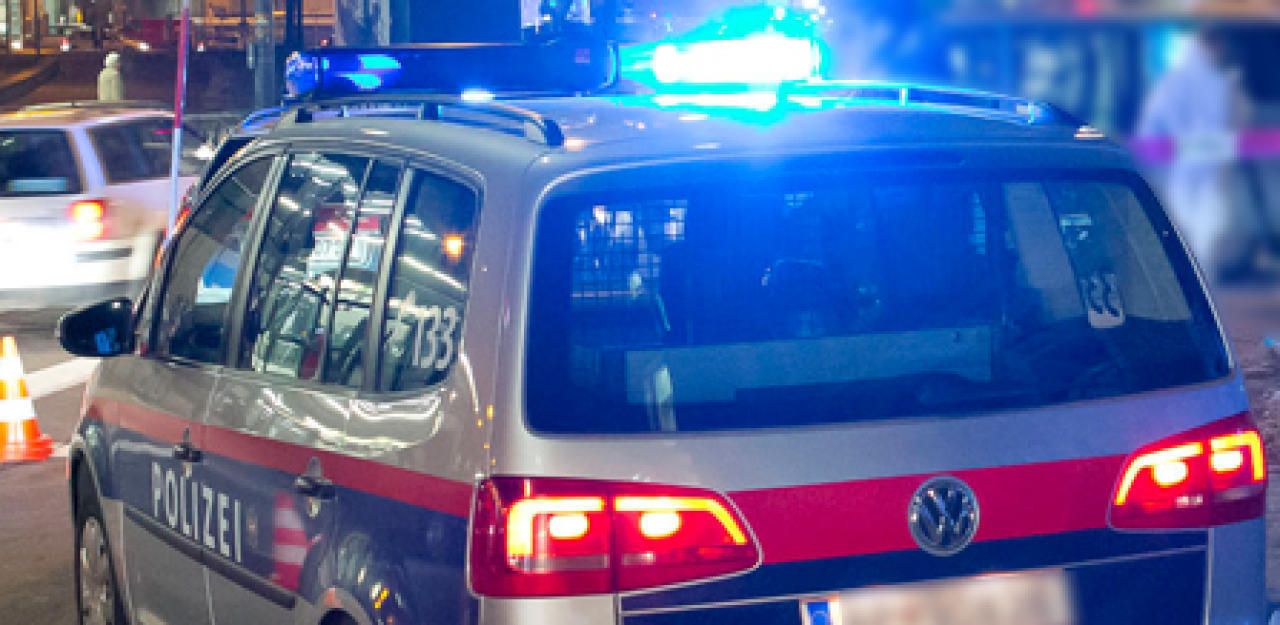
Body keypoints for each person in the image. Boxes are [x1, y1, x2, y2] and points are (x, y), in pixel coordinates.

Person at [1137, 29, 1250, 275]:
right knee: (1197, 236)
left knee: (1195, 237)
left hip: (1190, 171)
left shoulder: (1197, 80)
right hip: (1190, 171)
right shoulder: (1206, 81)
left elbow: (1152, 126)